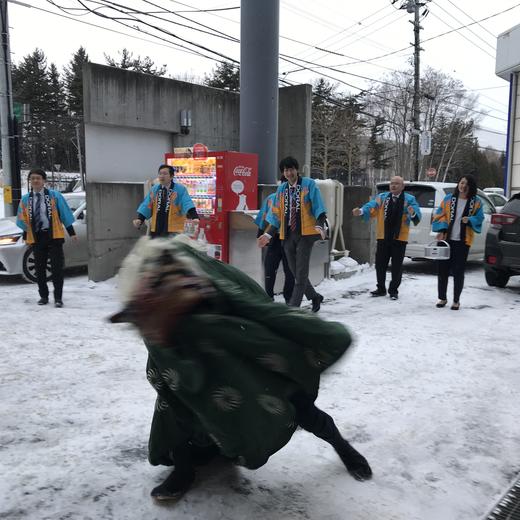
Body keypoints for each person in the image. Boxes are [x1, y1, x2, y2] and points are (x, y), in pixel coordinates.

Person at [111, 235, 372, 501]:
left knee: (292, 400)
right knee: (176, 406)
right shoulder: (148, 311)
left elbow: (262, 308)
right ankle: (184, 468)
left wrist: (322, 335)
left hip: (244, 345)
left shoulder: (216, 281)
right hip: (186, 358)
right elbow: (177, 375)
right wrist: (182, 364)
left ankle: (342, 446)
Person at [257, 157, 326, 312]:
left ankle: (293, 309)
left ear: (297, 169)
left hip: (306, 234)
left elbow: (318, 206)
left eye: (291, 169)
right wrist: (267, 235)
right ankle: (314, 297)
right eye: (285, 170)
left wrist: (320, 225)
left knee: (300, 272)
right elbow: (276, 216)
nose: (288, 173)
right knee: (295, 271)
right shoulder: (282, 190)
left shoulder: (309, 185)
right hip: (287, 235)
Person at [352, 176, 421, 300]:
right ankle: (381, 288)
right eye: (392, 183)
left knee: (396, 266)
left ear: (402, 186)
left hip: (400, 237)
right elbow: (371, 205)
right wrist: (361, 211)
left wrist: (413, 212)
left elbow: (416, 213)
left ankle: (393, 290)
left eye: (397, 184)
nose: (393, 186)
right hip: (383, 236)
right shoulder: (383, 197)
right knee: (380, 264)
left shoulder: (409, 199)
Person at [16, 168, 77, 307]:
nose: (35, 180)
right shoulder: (26, 199)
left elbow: (65, 214)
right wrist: (26, 235)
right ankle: (43, 296)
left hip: (54, 235)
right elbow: (22, 219)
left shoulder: (55, 196)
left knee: (57, 268)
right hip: (37, 237)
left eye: (38, 178)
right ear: (30, 181)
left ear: (44, 181)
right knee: (40, 268)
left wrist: (71, 232)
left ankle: (58, 298)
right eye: (32, 178)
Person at [432, 174, 484, 310]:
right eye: (461, 183)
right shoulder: (449, 199)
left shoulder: (476, 202)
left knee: (458, 271)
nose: (463, 186)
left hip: (463, 241)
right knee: (442, 270)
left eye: (466, 184)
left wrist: (470, 220)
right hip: (445, 240)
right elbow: (439, 214)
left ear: (471, 187)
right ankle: (442, 298)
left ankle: (456, 301)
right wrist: (442, 229)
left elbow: (480, 217)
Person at [132, 164, 199, 238]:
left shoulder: (180, 189)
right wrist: (140, 219)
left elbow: (187, 202)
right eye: (160, 173)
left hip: (174, 229)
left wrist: (194, 216)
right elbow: (147, 204)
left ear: (171, 176)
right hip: (157, 227)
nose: (161, 176)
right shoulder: (155, 189)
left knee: (172, 248)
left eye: (165, 174)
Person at [254, 183, 295, 304]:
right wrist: (260, 235)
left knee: (290, 270)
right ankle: (268, 296)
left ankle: (289, 297)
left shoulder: (297, 199)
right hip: (274, 237)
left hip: (290, 238)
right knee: (269, 267)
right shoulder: (271, 198)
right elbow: (263, 216)